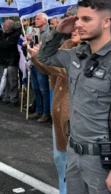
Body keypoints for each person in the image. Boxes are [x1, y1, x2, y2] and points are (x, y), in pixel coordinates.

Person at [37, 0, 111, 194]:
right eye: (78, 19)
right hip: (74, 154)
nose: (78, 24)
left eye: (86, 19)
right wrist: (58, 32)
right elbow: (44, 57)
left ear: (106, 22)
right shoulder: (77, 55)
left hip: (103, 162)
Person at [29, 27, 81, 194]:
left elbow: (64, 70)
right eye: (74, 25)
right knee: (60, 160)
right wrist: (36, 59)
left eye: (82, 22)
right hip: (59, 113)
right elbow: (48, 69)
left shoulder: (89, 52)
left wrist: (40, 57)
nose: (75, 28)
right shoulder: (66, 45)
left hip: (74, 115)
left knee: (72, 164)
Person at [0, 19, 21, 106]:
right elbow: (0, 42)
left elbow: (5, 45)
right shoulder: (4, 34)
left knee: (12, 80)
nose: (3, 27)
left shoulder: (15, 35)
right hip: (5, 60)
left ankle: (13, 99)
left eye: (5, 26)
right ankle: (6, 97)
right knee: (6, 81)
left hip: (12, 61)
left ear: (8, 27)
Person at [30, 13, 52, 122]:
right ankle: (39, 110)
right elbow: (33, 46)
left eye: (38, 19)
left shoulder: (49, 33)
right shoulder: (35, 31)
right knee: (36, 88)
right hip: (34, 63)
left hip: (42, 64)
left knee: (44, 89)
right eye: (35, 19)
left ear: (44, 21)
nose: (35, 21)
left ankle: (46, 113)